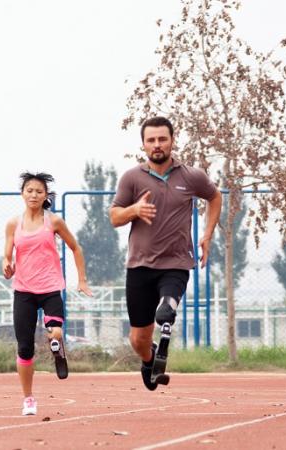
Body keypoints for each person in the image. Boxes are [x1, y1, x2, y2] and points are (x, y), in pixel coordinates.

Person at [109, 116, 221, 390]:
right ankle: (150, 359)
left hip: (176, 262)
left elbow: (215, 197)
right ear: (143, 145)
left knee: (165, 311)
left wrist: (207, 234)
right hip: (139, 265)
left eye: (162, 139)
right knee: (137, 340)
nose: (157, 145)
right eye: (151, 140)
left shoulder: (192, 176)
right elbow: (114, 216)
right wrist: (133, 210)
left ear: (172, 140)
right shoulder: (132, 178)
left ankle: (167, 312)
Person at [2, 172, 93, 416]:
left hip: (51, 287)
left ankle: (58, 348)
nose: (34, 195)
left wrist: (81, 279)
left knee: (55, 330)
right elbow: (7, 257)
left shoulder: (53, 222)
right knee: (24, 349)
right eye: (29, 190)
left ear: (45, 196)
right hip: (23, 291)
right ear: (22, 194)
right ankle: (28, 399)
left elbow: (75, 247)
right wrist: (7, 266)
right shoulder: (13, 224)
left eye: (39, 191)